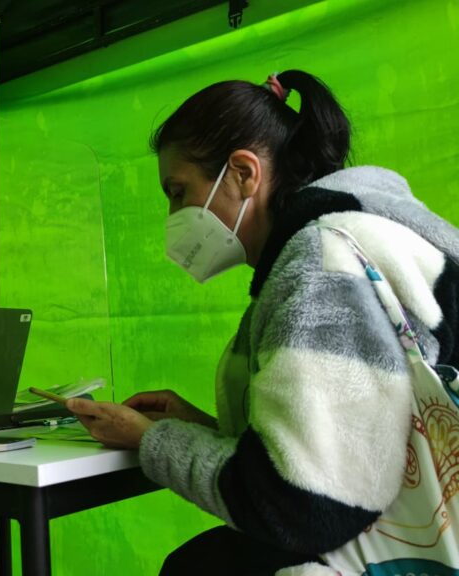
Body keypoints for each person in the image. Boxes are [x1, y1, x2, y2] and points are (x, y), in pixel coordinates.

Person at [66, 70, 459, 575]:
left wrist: (150, 441)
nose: (173, 217)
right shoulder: (356, 232)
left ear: (243, 173)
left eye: (178, 192)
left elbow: (302, 507)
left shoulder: (321, 264)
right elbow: (347, 444)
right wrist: (201, 428)